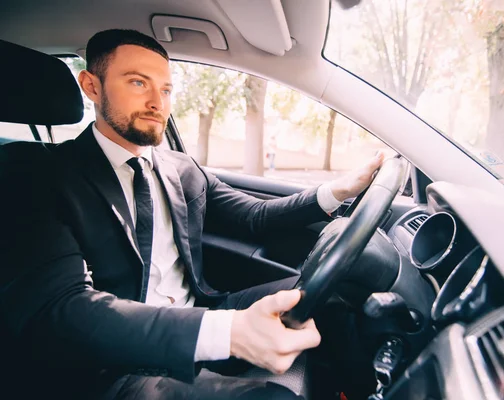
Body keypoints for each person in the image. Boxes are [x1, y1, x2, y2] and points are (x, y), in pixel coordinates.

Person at [0, 30, 384, 399]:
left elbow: (255, 217)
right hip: (113, 363)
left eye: (165, 89)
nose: (157, 102)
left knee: (332, 293)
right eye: (138, 83)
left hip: (200, 310)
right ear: (92, 86)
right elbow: (62, 307)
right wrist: (227, 332)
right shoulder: (33, 175)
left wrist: (340, 190)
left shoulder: (180, 168)